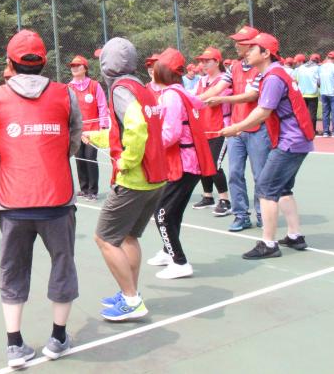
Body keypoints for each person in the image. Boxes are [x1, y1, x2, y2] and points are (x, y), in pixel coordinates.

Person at [0, 30, 82, 367]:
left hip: (13, 200)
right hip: (58, 199)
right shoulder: (66, 94)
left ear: (9, 63)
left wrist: (18, 156)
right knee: (63, 265)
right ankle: (58, 338)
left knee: (12, 270)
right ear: (44, 61)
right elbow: (74, 140)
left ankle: (14, 345)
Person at [84, 38, 167, 321]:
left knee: (105, 238)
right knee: (129, 236)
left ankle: (131, 300)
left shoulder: (120, 89)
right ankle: (130, 292)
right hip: (155, 177)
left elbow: (137, 127)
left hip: (134, 179)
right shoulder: (142, 88)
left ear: (109, 64)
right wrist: (94, 136)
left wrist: (126, 161)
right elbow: (124, 131)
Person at [221, 33, 315, 259]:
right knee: (283, 189)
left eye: (252, 49)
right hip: (297, 140)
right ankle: (295, 235)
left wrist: (236, 127)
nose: (247, 52)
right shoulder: (275, 73)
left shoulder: (273, 77)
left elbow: (263, 112)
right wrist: (242, 126)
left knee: (265, 188)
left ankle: (268, 244)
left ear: (265, 53)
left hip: (290, 141)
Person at [146, 49, 215, 279]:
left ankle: (179, 261)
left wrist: (148, 146)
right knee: (172, 212)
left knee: (162, 214)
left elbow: (171, 133)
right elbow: (199, 104)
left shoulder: (171, 96)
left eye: (156, 66)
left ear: (165, 71)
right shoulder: (179, 92)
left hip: (182, 163)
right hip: (189, 162)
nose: (152, 70)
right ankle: (169, 251)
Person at [201, 26, 268, 232]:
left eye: (241, 42)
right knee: (235, 173)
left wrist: (222, 100)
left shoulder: (262, 68)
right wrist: (191, 100)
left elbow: (251, 95)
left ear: (252, 45)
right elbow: (217, 88)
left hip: (257, 128)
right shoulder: (234, 67)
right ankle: (241, 215)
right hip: (236, 131)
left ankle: (262, 214)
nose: (236, 45)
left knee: (260, 175)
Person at [192, 47, 232, 216]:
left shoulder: (225, 80)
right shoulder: (201, 81)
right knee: (203, 164)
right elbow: (195, 98)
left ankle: (225, 200)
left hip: (219, 129)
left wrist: (192, 99)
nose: (203, 64)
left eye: (207, 61)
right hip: (203, 129)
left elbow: (211, 99)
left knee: (215, 164)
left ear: (217, 62)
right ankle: (208, 196)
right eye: (201, 61)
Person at [67, 55, 109, 201]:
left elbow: (102, 106)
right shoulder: (69, 87)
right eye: (72, 66)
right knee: (79, 158)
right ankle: (84, 189)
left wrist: (103, 126)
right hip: (77, 131)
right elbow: (68, 109)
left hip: (93, 131)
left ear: (85, 68)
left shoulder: (94, 85)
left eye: (77, 65)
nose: (74, 68)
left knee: (90, 158)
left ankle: (93, 191)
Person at [294, 54, 320, 132]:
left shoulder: (300, 68)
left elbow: (296, 81)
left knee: (301, 113)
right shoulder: (317, 68)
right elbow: (319, 82)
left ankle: (302, 130)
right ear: (317, 61)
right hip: (313, 94)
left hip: (301, 94)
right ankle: (312, 131)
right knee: (312, 114)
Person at [318, 51, 334, 137]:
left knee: (325, 112)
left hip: (323, 92)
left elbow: (318, 81)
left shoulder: (321, 67)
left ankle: (325, 131)